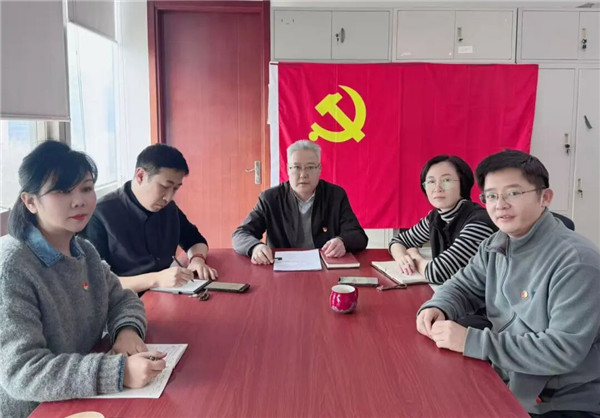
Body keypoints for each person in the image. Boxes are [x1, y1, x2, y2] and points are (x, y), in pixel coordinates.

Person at [416, 150, 600, 416]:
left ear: (545, 198)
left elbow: (561, 350)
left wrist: (471, 341)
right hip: (509, 379)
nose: (500, 205)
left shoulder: (577, 262)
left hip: (560, 403)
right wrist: (438, 306)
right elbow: (462, 286)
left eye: (513, 193)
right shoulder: (496, 244)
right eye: (491, 196)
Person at [0, 141, 166, 418]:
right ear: (30, 201)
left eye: (86, 188)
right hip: (36, 409)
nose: (79, 201)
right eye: (63, 191)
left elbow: (122, 299)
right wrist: (118, 372)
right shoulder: (12, 267)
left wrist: (126, 331)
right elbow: (22, 372)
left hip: (83, 397)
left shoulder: (83, 250)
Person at [84, 144, 217, 293]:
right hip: (124, 300)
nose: (169, 197)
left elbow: (194, 240)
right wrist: (156, 279)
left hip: (166, 293)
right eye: (165, 186)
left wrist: (197, 260)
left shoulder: (168, 208)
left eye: (175, 188)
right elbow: (96, 282)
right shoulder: (100, 214)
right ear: (140, 176)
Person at [232, 140, 368, 264]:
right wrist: (255, 247)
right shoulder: (270, 198)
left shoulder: (335, 195)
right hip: (281, 268)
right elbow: (240, 234)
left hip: (324, 266)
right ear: (288, 169)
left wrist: (343, 242)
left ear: (319, 169)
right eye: (296, 167)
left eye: (310, 167)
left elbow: (358, 235)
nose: (303, 174)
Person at [389, 155, 496, 284]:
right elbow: (398, 240)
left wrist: (414, 255)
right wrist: (402, 258)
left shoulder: (479, 223)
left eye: (446, 180)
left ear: (463, 184)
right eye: (431, 182)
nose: (437, 188)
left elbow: (438, 273)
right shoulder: (436, 217)